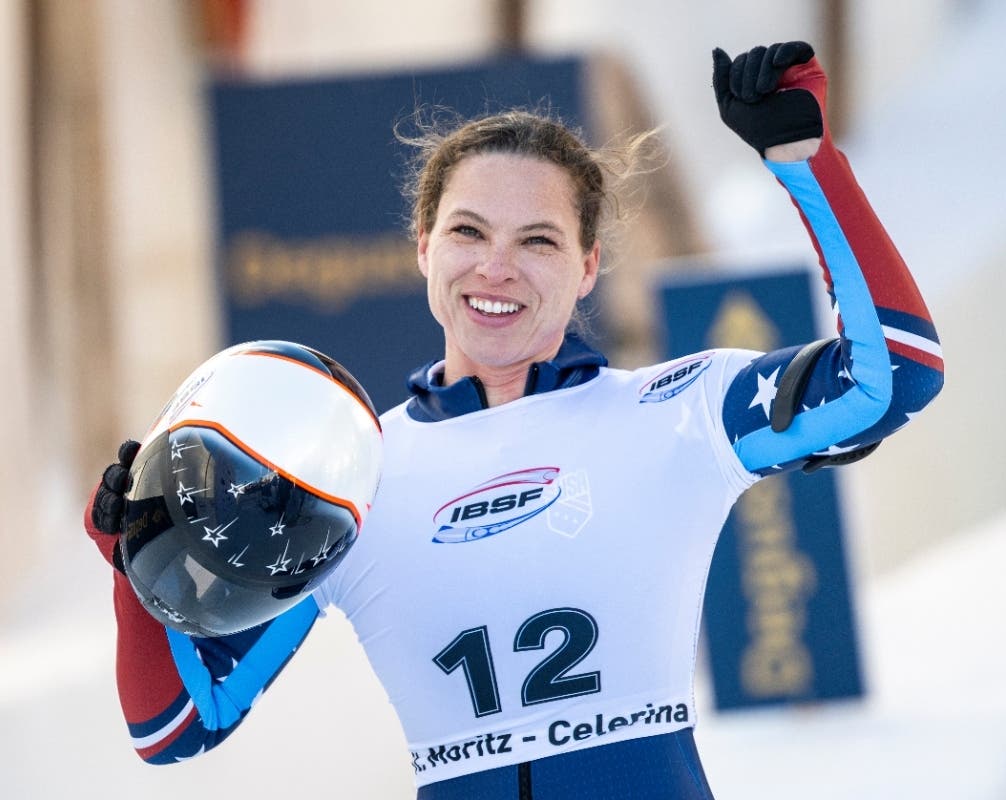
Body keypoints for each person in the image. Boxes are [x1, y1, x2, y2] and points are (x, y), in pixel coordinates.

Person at [86, 42, 944, 799]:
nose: (496, 268)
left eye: (537, 240)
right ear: (423, 246)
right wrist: (134, 558)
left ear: (586, 267)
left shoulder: (677, 412)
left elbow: (893, 377)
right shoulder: (353, 476)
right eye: (468, 231)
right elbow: (174, 729)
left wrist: (805, 161)